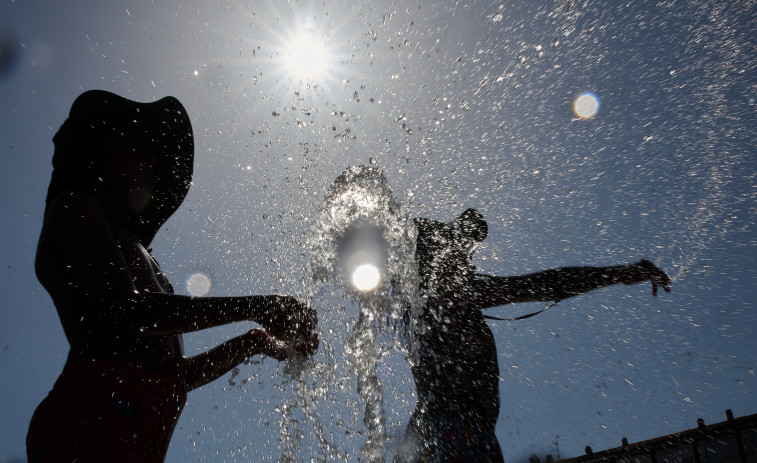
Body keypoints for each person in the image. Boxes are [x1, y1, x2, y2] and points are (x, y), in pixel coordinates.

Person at [27, 90, 318, 463]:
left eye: (154, 153)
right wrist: (257, 306)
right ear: (95, 150)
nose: (148, 158)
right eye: (132, 143)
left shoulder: (139, 253)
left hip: (142, 426)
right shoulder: (74, 207)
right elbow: (127, 312)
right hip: (91, 415)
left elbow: (175, 374)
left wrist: (253, 343)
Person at [395, 209, 671, 463]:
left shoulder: (427, 307)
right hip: (453, 439)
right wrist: (620, 274)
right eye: (461, 254)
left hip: (444, 436)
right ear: (438, 260)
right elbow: (548, 284)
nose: (470, 262)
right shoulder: (450, 299)